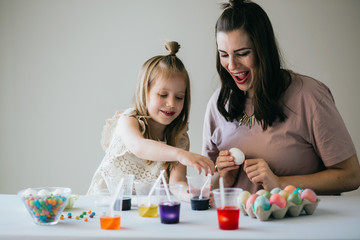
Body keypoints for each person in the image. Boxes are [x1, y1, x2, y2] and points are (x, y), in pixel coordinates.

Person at [202, 0, 360, 195]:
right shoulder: (218, 104)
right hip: (239, 225)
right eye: (223, 54)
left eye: (242, 53)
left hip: (301, 223)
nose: (232, 65)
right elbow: (208, 184)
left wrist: (280, 182)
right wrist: (223, 177)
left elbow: (351, 175)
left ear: (263, 50)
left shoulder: (309, 96)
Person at [88, 41, 215, 201]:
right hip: (104, 206)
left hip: (142, 212)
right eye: (163, 95)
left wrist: (190, 194)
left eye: (179, 97)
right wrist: (180, 155)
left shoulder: (179, 140)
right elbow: (139, 147)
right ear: (145, 92)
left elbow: (177, 183)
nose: (171, 104)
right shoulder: (128, 121)